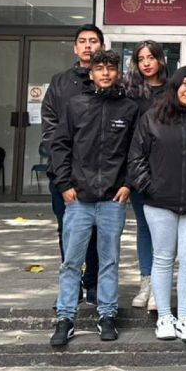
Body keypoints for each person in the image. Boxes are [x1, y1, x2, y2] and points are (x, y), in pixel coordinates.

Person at [49, 49, 137, 347]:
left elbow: (135, 152)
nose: (105, 73)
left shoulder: (128, 108)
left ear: (118, 73)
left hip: (112, 199)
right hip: (79, 199)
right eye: (100, 68)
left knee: (109, 260)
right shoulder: (76, 105)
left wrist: (127, 184)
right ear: (91, 72)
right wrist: (64, 184)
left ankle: (107, 314)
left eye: (111, 68)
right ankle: (65, 317)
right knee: (72, 261)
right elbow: (59, 146)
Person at [129, 66, 186, 342]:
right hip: (159, 201)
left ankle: (185, 318)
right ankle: (165, 317)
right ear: (175, 86)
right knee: (163, 258)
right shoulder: (152, 118)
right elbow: (136, 158)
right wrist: (149, 187)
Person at [40, 25, 103, 307]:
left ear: (102, 46)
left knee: (96, 231)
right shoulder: (60, 82)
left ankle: (93, 285)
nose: (88, 46)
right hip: (65, 173)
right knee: (67, 229)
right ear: (75, 48)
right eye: (83, 41)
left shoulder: (109, 83)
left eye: (93, 41)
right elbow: (50, 129)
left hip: (100, 175)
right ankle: (72, 285)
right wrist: (64, 169)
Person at [124, 40, 170, 313]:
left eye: (151, 57)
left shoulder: (172, 90)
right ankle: (147, 283)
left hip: (167, 170)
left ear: (161, 60)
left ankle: (161, 287)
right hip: (139, 169)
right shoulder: (130, 93)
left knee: (163, 230)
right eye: (141, 59)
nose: (146, 63)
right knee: (144, 227)